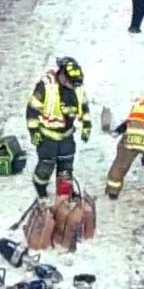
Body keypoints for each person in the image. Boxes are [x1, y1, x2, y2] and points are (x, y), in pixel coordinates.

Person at [25, 57, 92, 199]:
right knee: (46, 165)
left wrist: (86, 124)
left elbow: (84, 106)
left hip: (66, 136)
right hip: (47, 136)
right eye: (71, 83)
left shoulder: (77, 88)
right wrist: (34, 132)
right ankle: (40, 187)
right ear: (62, 76)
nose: (74, 87)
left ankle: (65, 192)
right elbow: (32, 110)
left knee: (66, 167)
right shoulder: (46, 87)